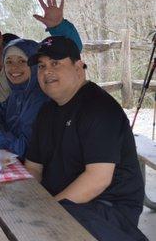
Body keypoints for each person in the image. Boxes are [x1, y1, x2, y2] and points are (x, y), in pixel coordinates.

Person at [25, 36, 147, 241]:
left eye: (55, 63)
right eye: (41, 66)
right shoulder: (46, 111)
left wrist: (49, 210)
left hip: (107, 207)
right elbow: (33, 167)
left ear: (78, 68)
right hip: (64, 200)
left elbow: (97, 179)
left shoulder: (99, 109)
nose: (47, 71)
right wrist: (30, 202)